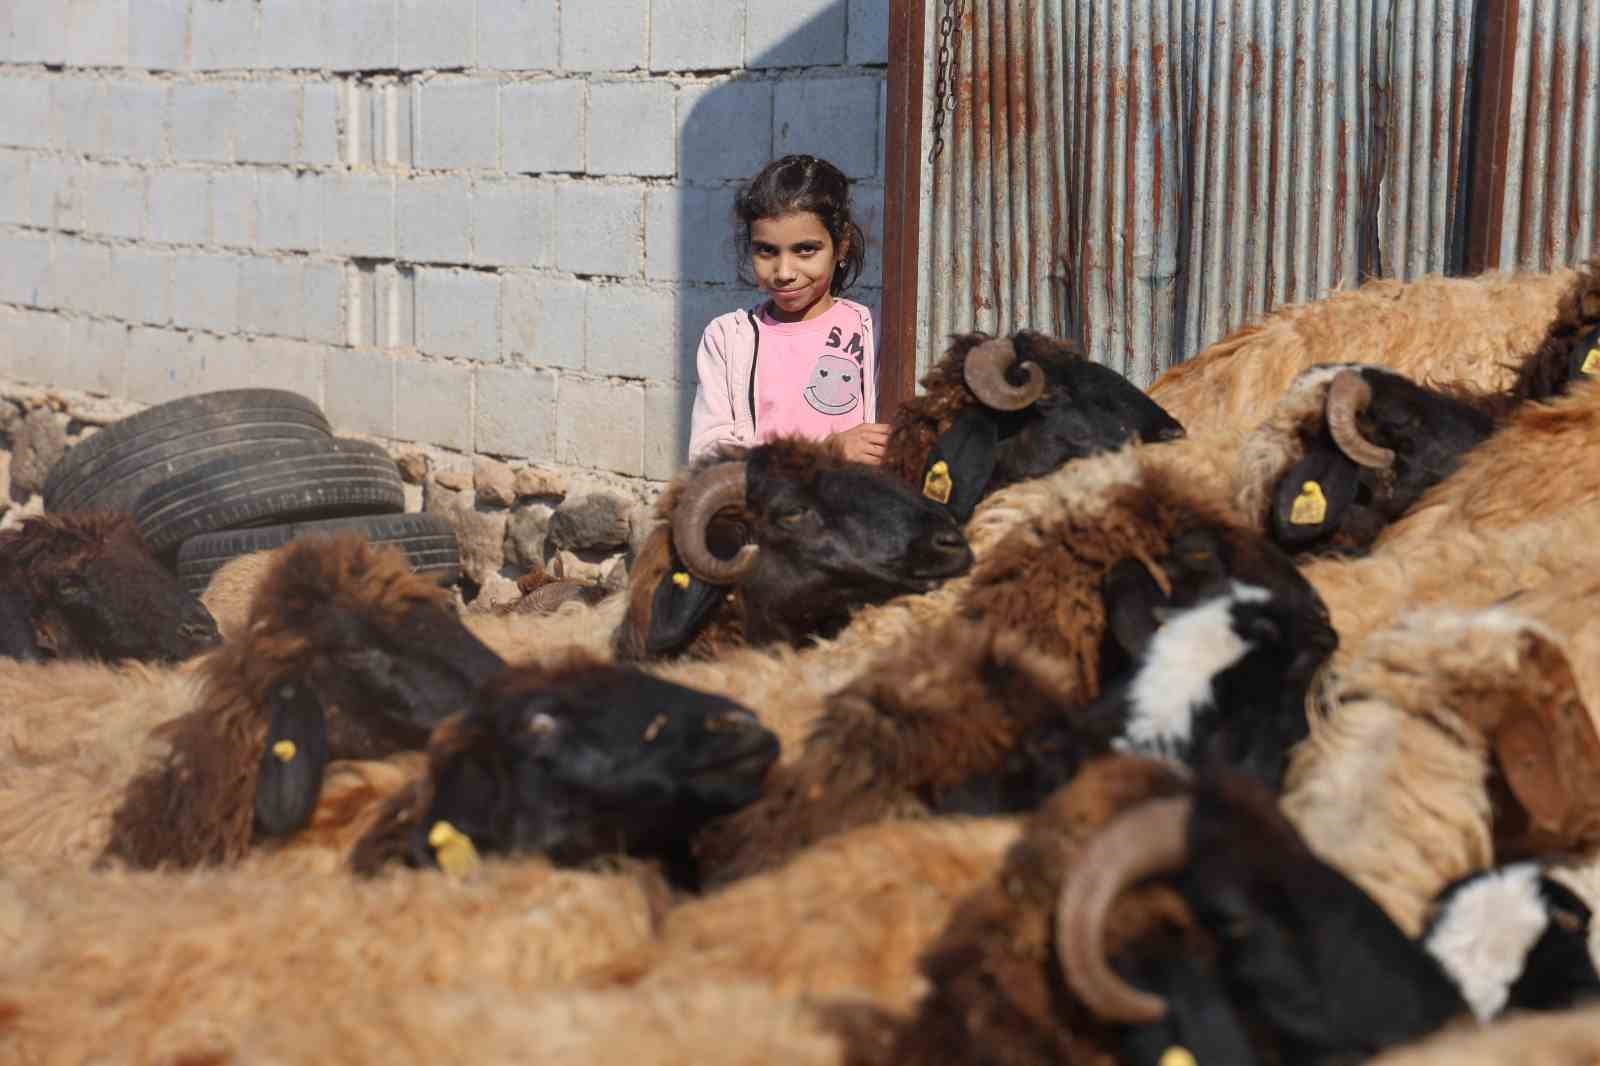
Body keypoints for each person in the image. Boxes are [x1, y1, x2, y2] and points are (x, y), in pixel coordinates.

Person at [686, 154, 889, 466]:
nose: (783, 272)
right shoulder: (728, 339)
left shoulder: (872, 333)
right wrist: (825, 453)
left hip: (850, 510)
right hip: (764, 510)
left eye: (805, 250)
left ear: (842, 246)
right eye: (766, 251)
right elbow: (710, 456)